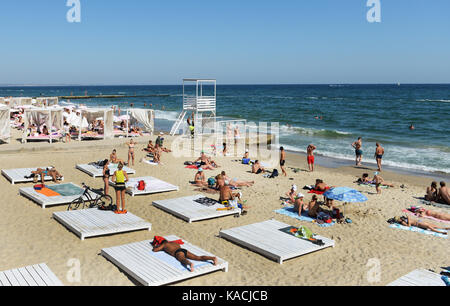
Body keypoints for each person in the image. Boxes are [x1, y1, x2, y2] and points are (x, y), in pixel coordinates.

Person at [151, 236, 217, 272]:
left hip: (177, 252)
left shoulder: (164, 244)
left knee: (182, 259)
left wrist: (156, 247)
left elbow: (155, 250)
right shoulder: (174, 243)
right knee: (198, 257)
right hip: (183, 250)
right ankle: (212, 258)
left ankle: (190, 264)